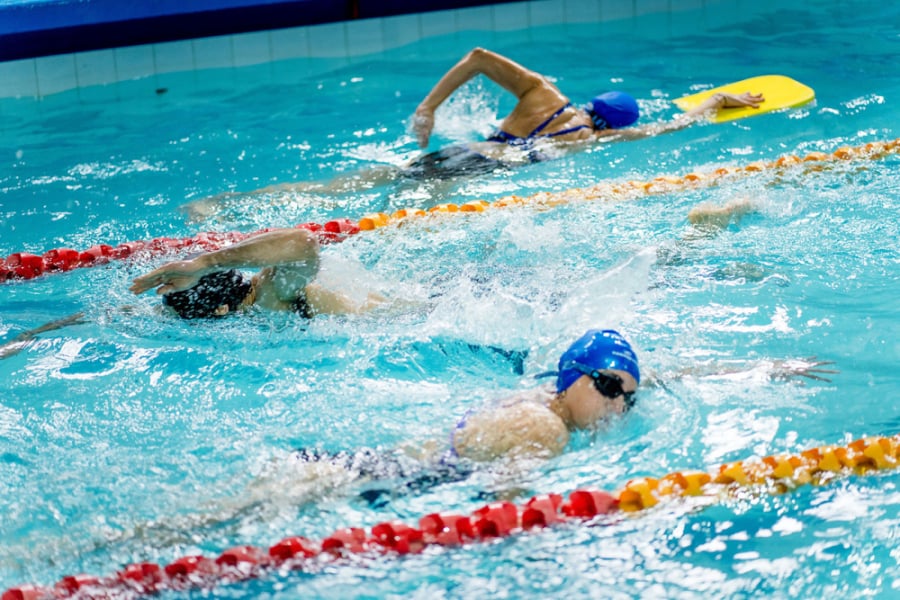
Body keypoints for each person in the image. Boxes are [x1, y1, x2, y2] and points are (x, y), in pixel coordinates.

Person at [180, 48, 763, 220]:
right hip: (486, 168)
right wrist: (717, 100)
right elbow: (675, 126)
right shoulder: (599, 139)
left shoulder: (544, 95)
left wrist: (429, 110)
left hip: (473, 151)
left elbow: (479, 56)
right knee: (388, 217)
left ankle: (227, 204)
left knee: (358, 183)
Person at [129, 228, 385, 319]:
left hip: (404, 316)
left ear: (221, 309)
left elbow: (303, 241)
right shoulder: (243, 299)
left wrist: (206, 262)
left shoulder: (270, 294)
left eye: (184, 315)